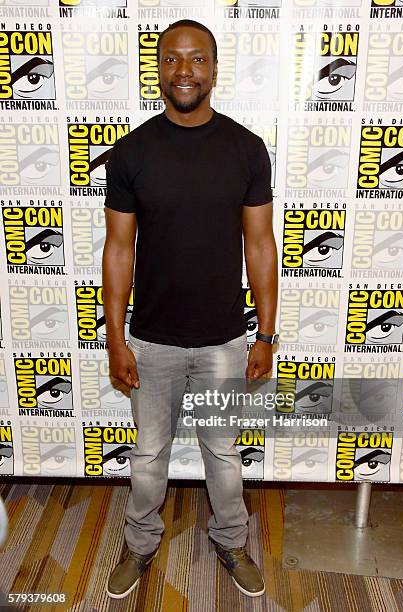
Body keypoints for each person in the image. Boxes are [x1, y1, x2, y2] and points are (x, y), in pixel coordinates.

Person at [102, 19, 278, 600]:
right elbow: (118, 249)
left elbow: (260, 245)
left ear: (214, 68)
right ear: (159, 68)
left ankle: (231, 540)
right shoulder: (130, 153)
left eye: (196, 59)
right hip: (151, 340)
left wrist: (266, 335)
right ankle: (140, 542)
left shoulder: (247, 149)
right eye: (173, 59)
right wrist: (116, 339)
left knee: (223, 454)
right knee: (149, 456)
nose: (184, 71)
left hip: (225, 340)